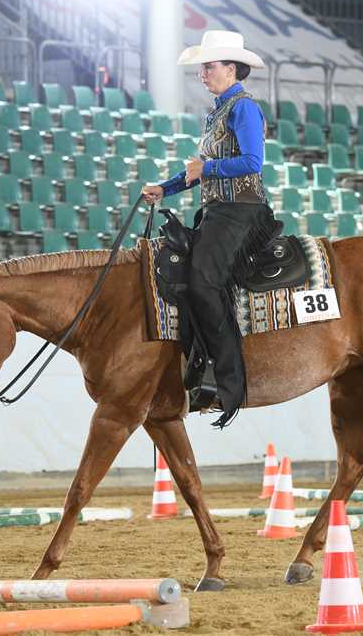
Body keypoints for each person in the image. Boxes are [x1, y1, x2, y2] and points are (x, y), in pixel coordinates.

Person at [142, 30, 277, 429]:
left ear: (231, 69)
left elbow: (252, 162)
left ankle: (227, 379)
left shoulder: (244, 108)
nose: (202, 73)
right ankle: (197, 362)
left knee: (203, 282)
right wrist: (163, 189)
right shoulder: (217, 114)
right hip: (219, 212)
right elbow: (196, 171)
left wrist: (209, 167)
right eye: (202, 67)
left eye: (209, 66)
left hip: (242, 212)